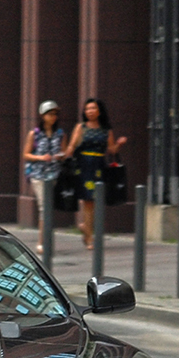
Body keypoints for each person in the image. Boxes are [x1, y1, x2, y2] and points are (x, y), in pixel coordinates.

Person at [64, 98, 126, 250]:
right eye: (87, 109)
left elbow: (111, 150)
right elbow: (71, 145)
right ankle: (89, 235)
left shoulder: (106, 129)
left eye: (93, 108)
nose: (90, 111)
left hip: (99, 165)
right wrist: (67, 153)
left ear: (99, 111)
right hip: (84, 165)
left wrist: (119, 144)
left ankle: (86, 228)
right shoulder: (81, 127)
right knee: (88, 200)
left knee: (97, 199)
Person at [22, 100, 67, 253]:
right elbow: (26, 154)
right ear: (42, 116)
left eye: (55, 114)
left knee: (48, 207)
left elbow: (64, 152)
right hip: (38, 174)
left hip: (54, 173)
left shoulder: (60, 134)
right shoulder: (34, 134)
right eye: (49, 114)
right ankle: (42, 242)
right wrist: (41, 158)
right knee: (44, 207)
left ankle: (46, 240)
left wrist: (60, 156)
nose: (53, 117)